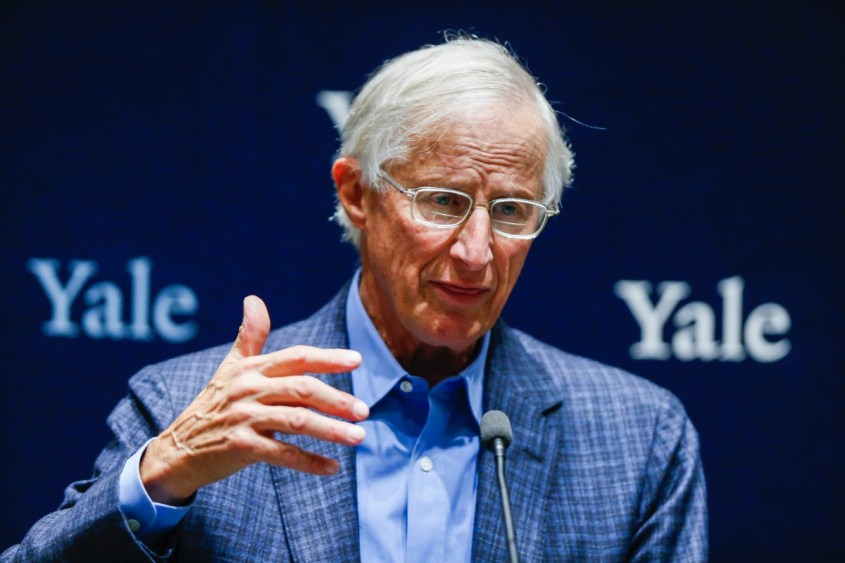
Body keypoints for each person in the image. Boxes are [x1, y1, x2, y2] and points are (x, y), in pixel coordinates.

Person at [3, 36, 707, 562]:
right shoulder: (186, 405)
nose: (476, 251)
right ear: (355, 193)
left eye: (514, 210)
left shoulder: (637, 438)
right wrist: (165, 472)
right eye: (442, 201)